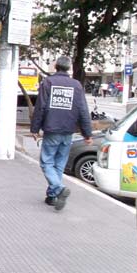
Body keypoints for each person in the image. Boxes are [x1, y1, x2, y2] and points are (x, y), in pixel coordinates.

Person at [30, 55, 93, 211]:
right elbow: (83, 110)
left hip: (52, 130)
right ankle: (52, 196)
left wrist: (35, 129)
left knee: (46, 162)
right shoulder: (77, 85)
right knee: (59, 164)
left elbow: (41, 107)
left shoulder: (48, 82)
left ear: (56, 66)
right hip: (68, 131)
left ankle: (58, 188)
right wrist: (87, 134)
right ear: (69, 68)